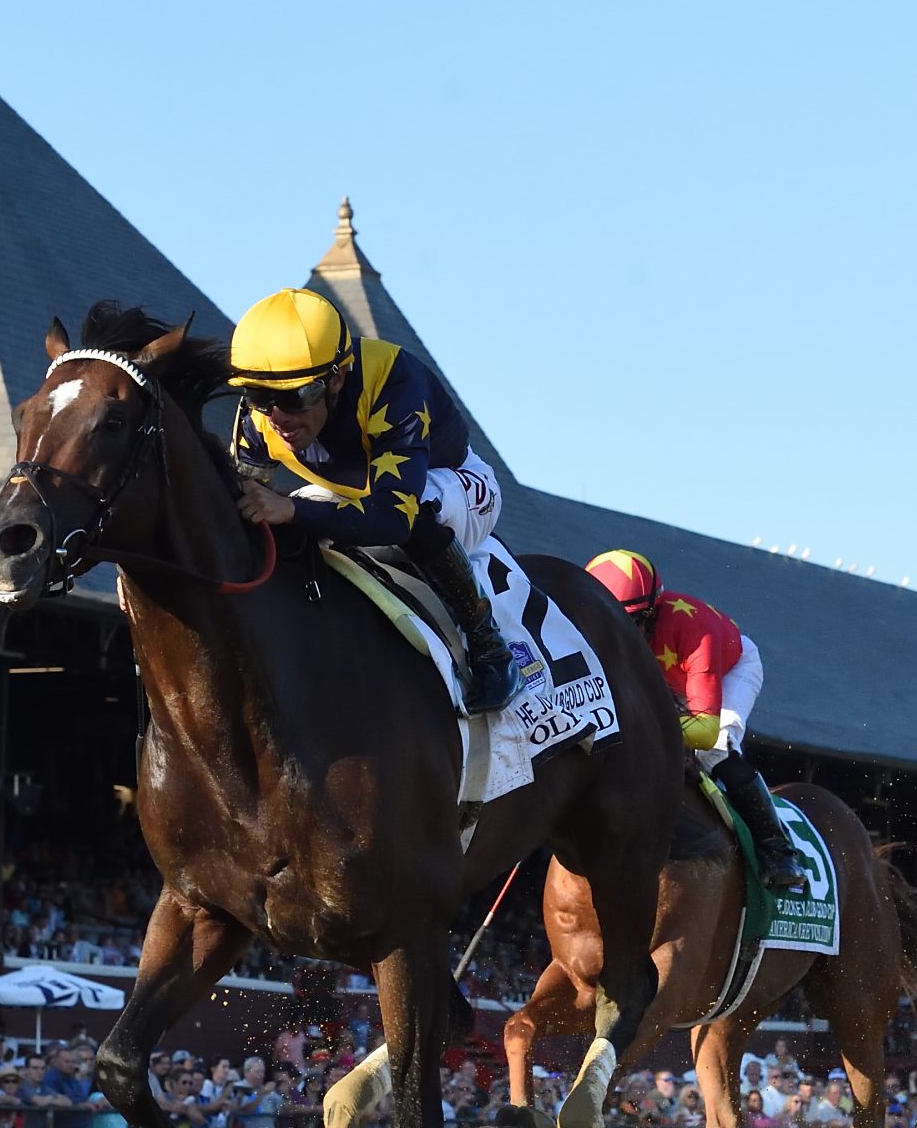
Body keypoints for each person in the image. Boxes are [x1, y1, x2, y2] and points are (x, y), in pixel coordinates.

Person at [226, 286, 517, 711]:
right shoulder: (259, 415)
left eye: (296, 396)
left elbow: (394, 517)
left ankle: (487, 643)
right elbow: (233, 511)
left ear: (337, 378)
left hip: (453, 485)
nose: (278, 416)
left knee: (413, 512)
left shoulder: (393, 381)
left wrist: (290, 508)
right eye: (259, 396)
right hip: (352, 492)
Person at [583, 549, 804, 890]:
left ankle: (777, 848)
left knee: (716, 749)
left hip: (727, 670)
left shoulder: (694, 632)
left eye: (630, 624)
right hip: (666, 678)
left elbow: (704, 729)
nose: (618, 637)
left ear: (651, 613)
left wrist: (643, 725)